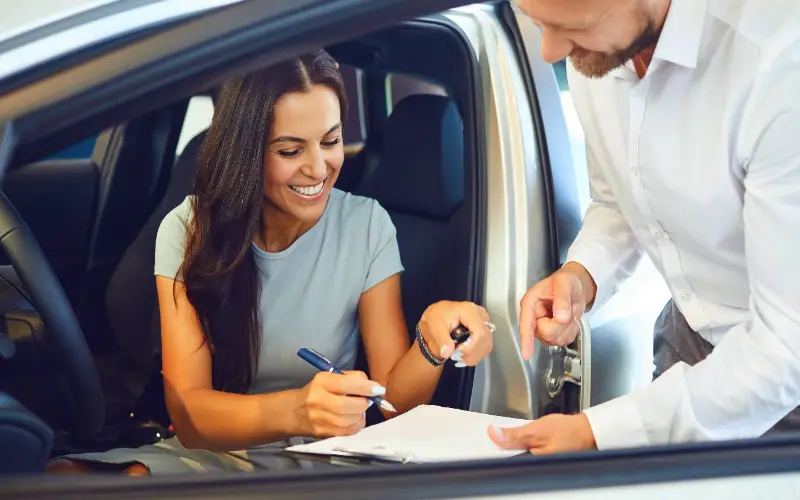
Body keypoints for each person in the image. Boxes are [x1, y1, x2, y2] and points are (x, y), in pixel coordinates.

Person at [48, 49, 494, 475]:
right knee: (58, 476)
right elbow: (191, 415)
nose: (319, 169)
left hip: (321, 459)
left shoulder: (367, 225)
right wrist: (298, 410)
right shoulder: (189, 229)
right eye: (290, 151)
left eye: (332, 141)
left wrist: (431, 340)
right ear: (245, 154)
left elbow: (392, 405)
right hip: (214, 451)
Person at [489, 0, 800, 454]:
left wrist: (598, 433)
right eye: (539, 23)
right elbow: (618, 198)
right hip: (687, 342)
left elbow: (785, 346)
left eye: (571, 25)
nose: (551, 52)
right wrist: (581, 275)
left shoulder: (777, 65)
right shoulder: (592, 53)